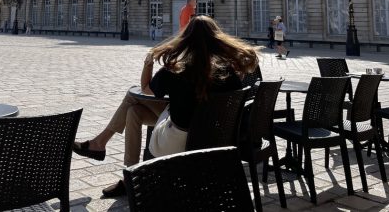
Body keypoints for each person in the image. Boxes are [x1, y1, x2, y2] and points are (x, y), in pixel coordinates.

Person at [72, 15, 259, 198]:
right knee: (134, 112)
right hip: (217, 139)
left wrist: (148, 62)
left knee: (132, 102)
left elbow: (145, 89)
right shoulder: (230, 72)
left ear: (185, 39)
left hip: (177, 142)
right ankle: (121, 169)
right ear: (218, 38)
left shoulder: (176, 69)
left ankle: (124, 170)